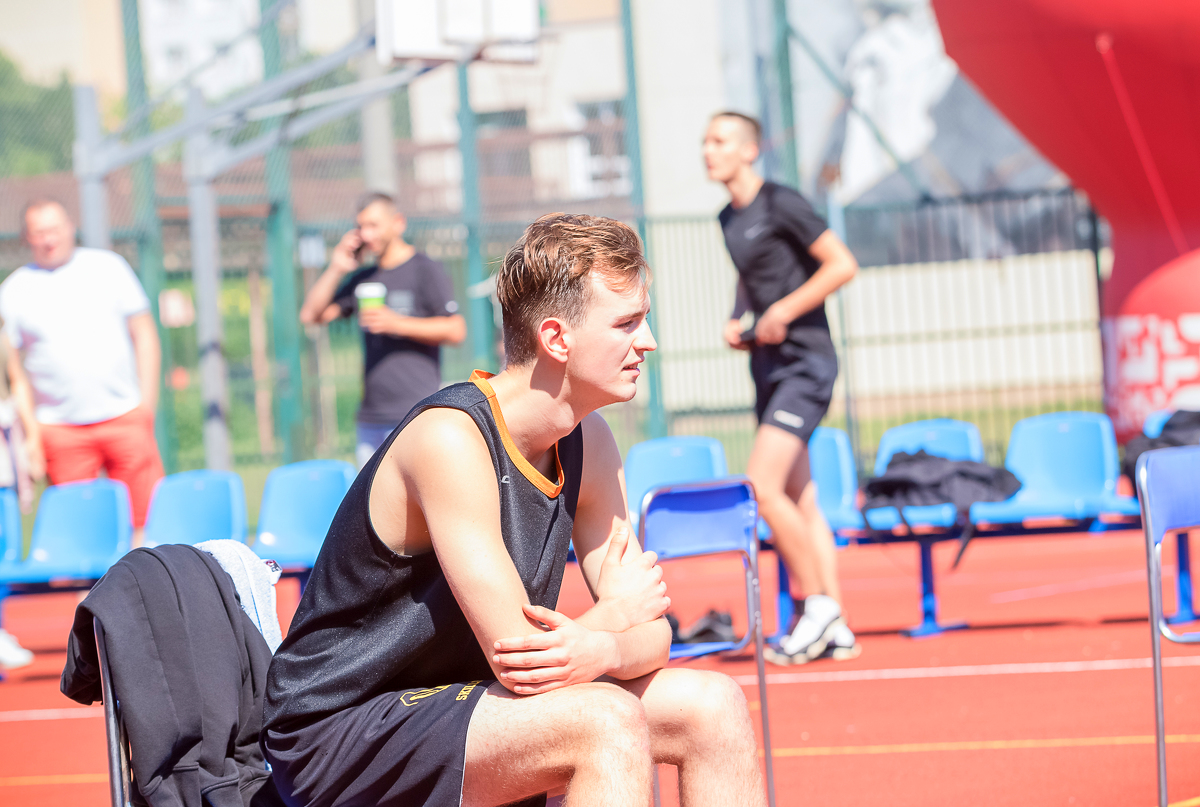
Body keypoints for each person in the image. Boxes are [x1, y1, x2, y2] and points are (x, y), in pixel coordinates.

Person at [263, 214, 765, 807]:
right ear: (557, 338)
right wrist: (611, 621)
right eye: (627, 323)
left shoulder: (590, 439)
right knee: (603, 721)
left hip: (466, 701)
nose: (648, 341)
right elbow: (523, 658)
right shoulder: (451, 438)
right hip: (342, 727)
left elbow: (653, 633)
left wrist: (603, 647)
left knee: (713, 706)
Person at [704, 112, 861, 665]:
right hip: (767, 367)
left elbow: (841, 265)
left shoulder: (781, 202)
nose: (708, 150)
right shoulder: (728, 217)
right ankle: (836, 625)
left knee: (763, 488)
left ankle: (817, 607)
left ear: (749, 150)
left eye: (720, 141)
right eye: (706, 141)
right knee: (800, 498)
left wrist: (782, 313)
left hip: (805, 365)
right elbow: (752, 276)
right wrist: (738, 316)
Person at [0, 200, 164, 545]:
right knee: (80, 532)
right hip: (59, 429)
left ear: (70, 227)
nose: (49, 239)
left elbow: (145, 334)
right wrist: (32, 434)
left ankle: (143, 579)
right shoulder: (13, 291)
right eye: (39, 232)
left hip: (125, 416)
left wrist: (146, 405)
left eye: (54, 229)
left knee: (145, 522)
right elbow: (14, 373)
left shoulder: (109, 267)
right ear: (26, 237)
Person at [298, 192, 466, 467]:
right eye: (361, 226)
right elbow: (311, 315)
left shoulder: (425, 269)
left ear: (398, 223)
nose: (366, 234)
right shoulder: (364, 278)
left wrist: (396, 323)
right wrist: (337, 267)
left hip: (413, 412)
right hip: (370, 419)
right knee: (371, 496)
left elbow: (456, 330)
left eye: (373, 225)